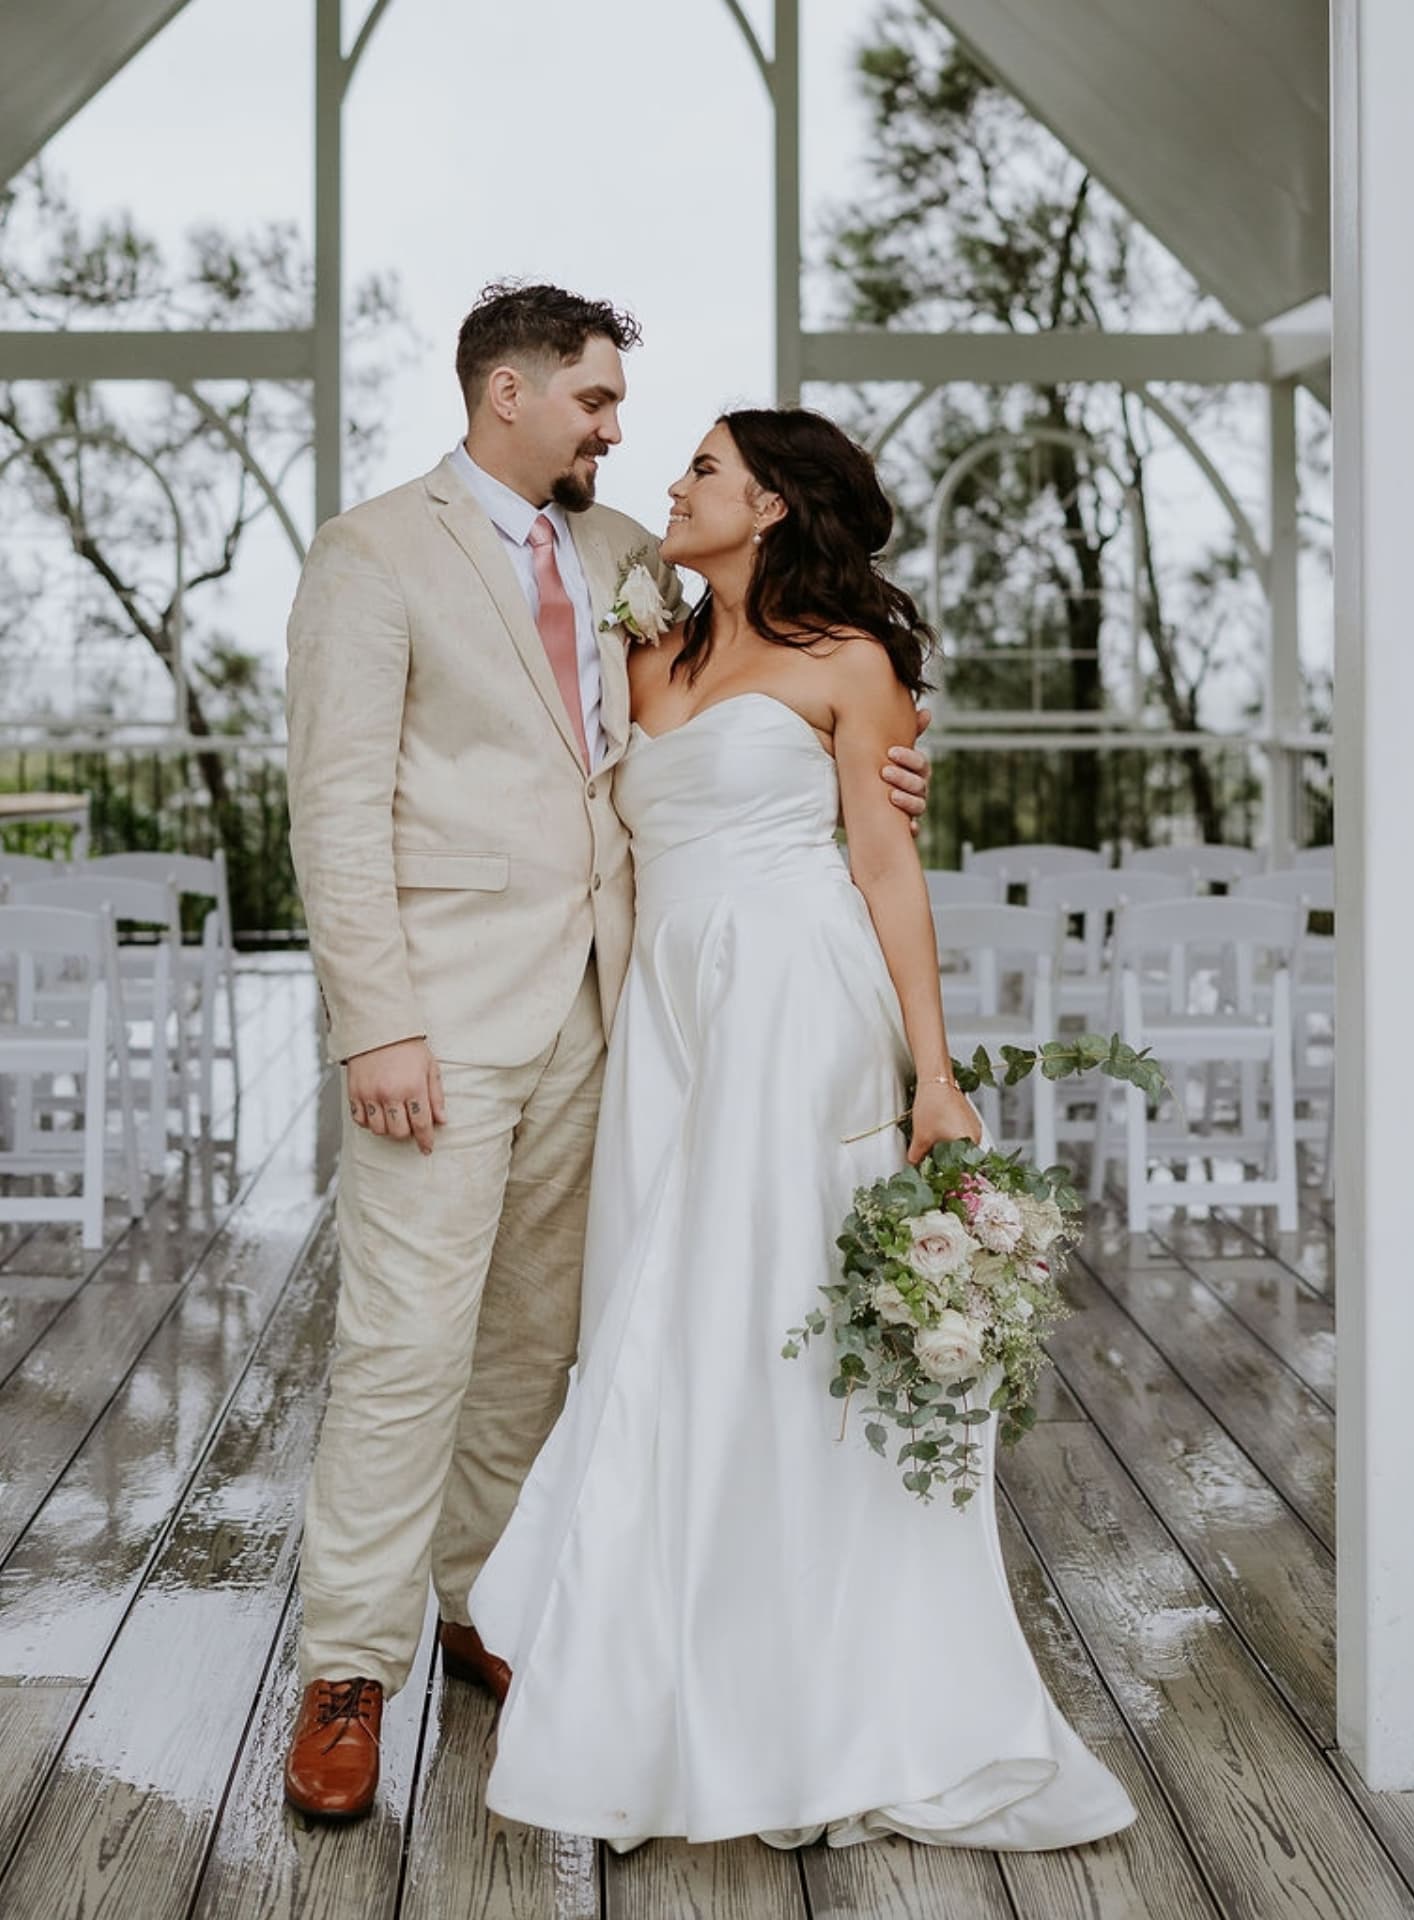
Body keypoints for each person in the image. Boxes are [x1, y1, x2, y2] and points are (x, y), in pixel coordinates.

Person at [281, 286, 933, 1818]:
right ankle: (347, 1667)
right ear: (507, 394)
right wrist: (379, 1020)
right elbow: (335, 805)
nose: (618, 433)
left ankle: (482, 1602)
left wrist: (900, 759)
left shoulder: (629, 555)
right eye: (595, 402)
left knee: (536, 1342)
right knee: (405, 1345)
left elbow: (784, 667)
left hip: (615, 1011)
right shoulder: (371, 556)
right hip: (443, 1019)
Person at [469, 408, 1138, 1851]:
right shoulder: (647, 647)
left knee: (766, 1320)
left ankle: (821, 1706)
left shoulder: (853, 663)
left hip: (796, 1004)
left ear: (771, 504)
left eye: (704, 468)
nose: (673, 484)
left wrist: (934, 1077)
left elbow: (886, 867)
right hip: (666, 1020)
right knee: (658, 1323)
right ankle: (668, 1699)